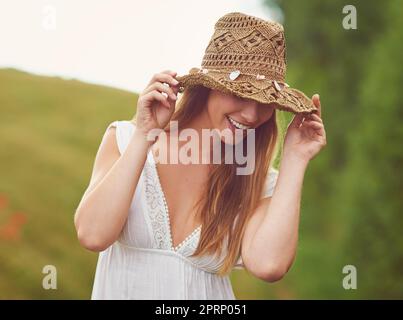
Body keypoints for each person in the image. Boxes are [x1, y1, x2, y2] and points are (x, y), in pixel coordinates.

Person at [74, 12, 326, 299]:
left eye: (265, 102)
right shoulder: (125, 140)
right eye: (241, 95)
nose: (252, 114)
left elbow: (269, 265)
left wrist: (296, 158)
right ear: (209, 88)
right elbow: (92, 235)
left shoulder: (258, 181)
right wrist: (145, 135)